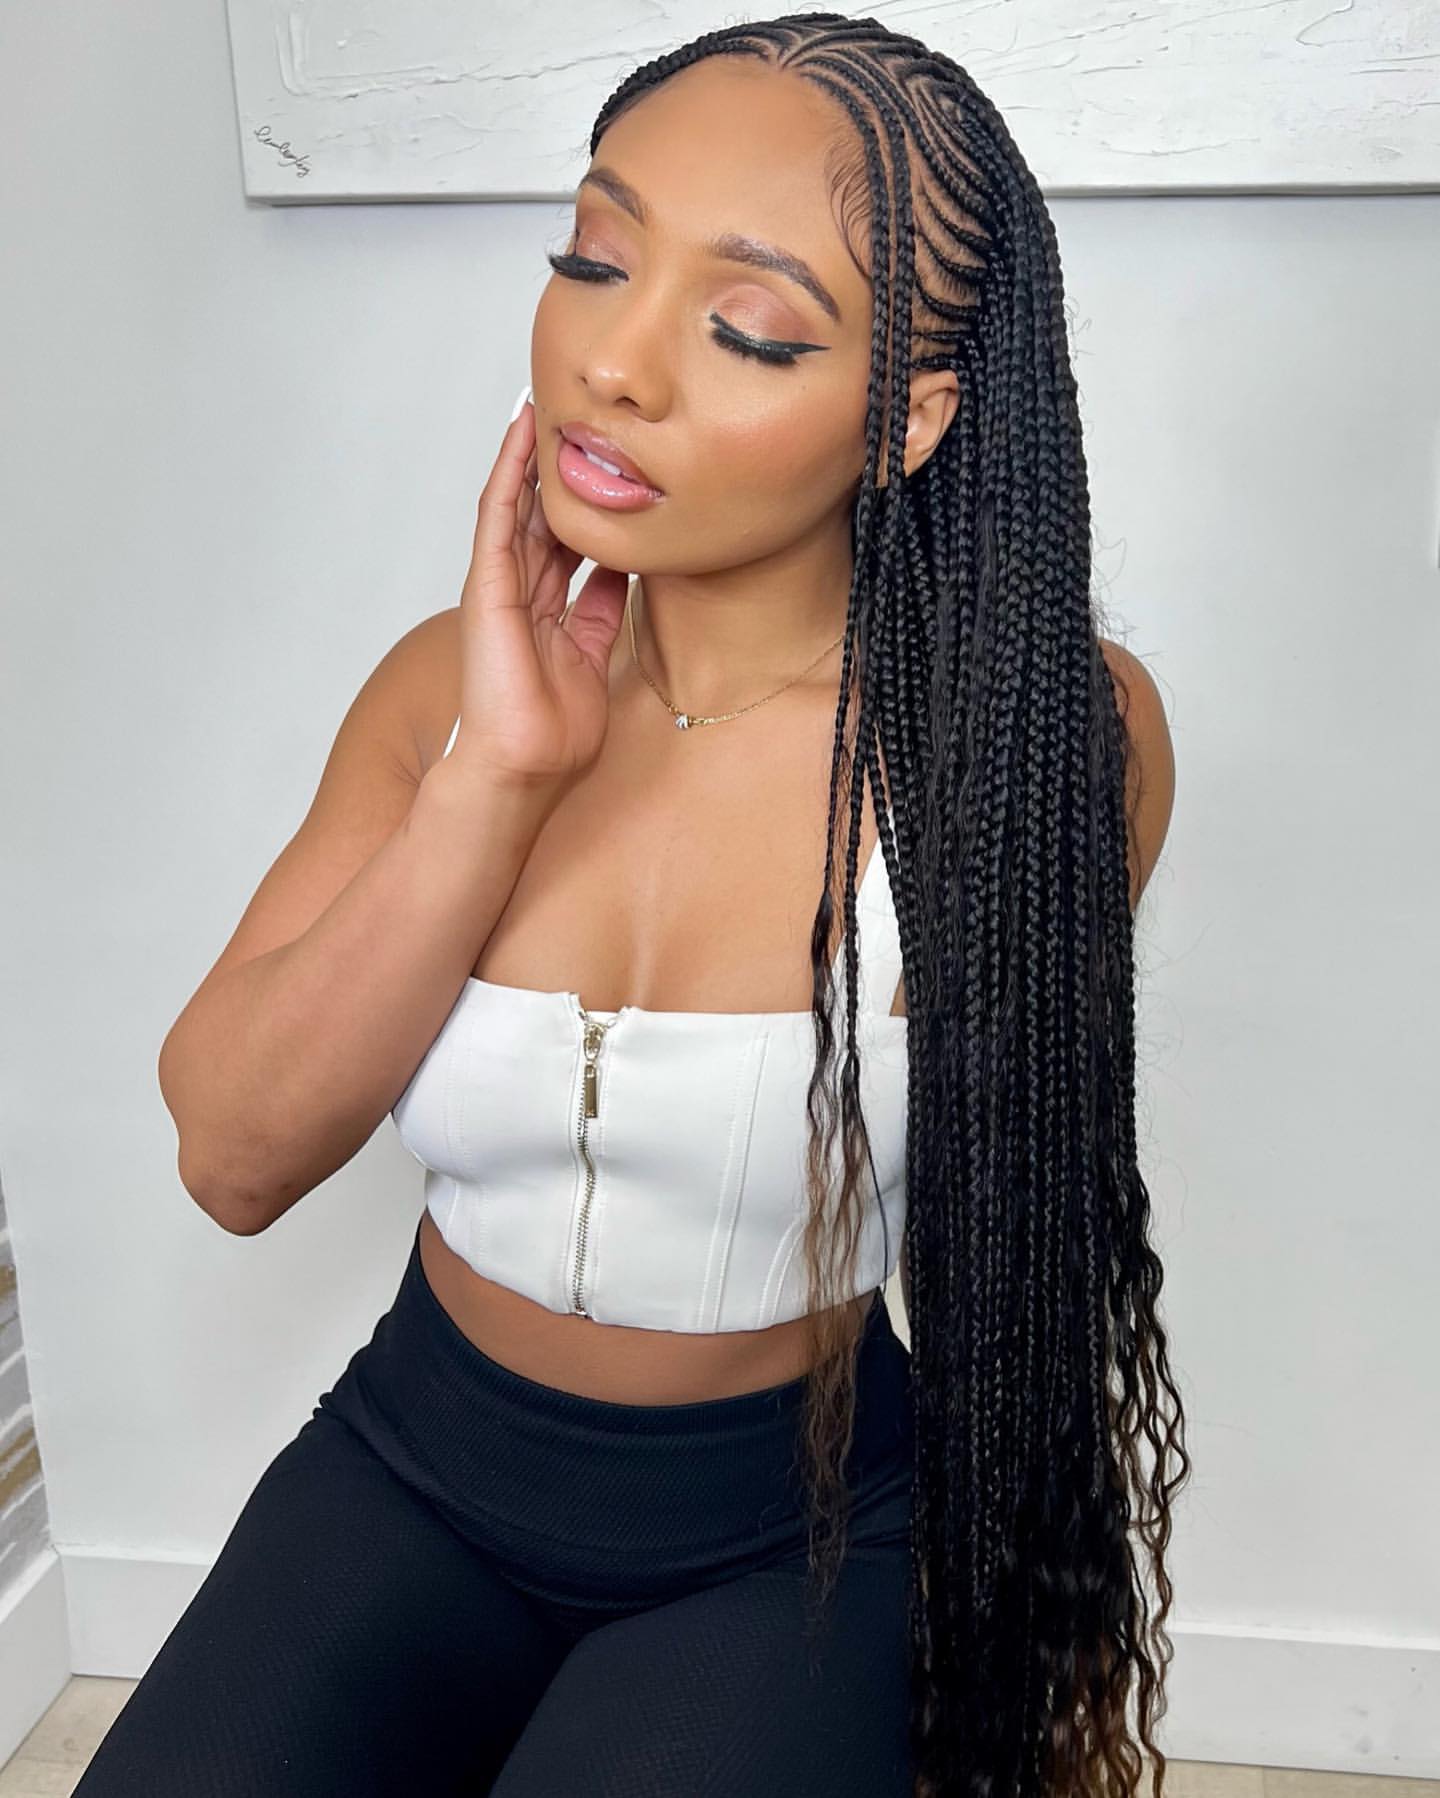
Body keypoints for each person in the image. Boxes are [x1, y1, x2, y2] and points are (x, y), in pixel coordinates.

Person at [78, 12, 1182, 1796]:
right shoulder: (443, 695)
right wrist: (497, 781)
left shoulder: (1035, 737)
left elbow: (1013, 1229)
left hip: (788, 1533)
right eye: (595, 258)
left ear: (906, 418)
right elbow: (234, 1156)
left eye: (749, 329)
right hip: (412, 1465)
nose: (616, 363)